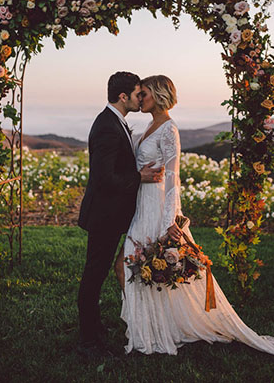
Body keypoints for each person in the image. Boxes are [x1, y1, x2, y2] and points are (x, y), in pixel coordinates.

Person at [120, 74, 274, 359]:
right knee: (135, 260)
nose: (139, 98)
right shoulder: (148, 125)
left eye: (143, 93)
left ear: (157, 95)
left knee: (148, 261)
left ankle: (158, 329)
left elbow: (173, 179)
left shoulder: (169, 129)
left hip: (158, 207)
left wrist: (170, 223)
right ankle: (148, 326)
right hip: (141, 203)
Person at [77, 71, 164, 355]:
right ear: (124, 96)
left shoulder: (116, 122)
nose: (142, 99)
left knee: (98, 273)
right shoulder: (106, 127)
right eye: (139, 94)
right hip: (104, 215)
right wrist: (139, 177)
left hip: (111, 214)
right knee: (94, 275)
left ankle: (95, 328)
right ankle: (89, 340)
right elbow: (104, 178)